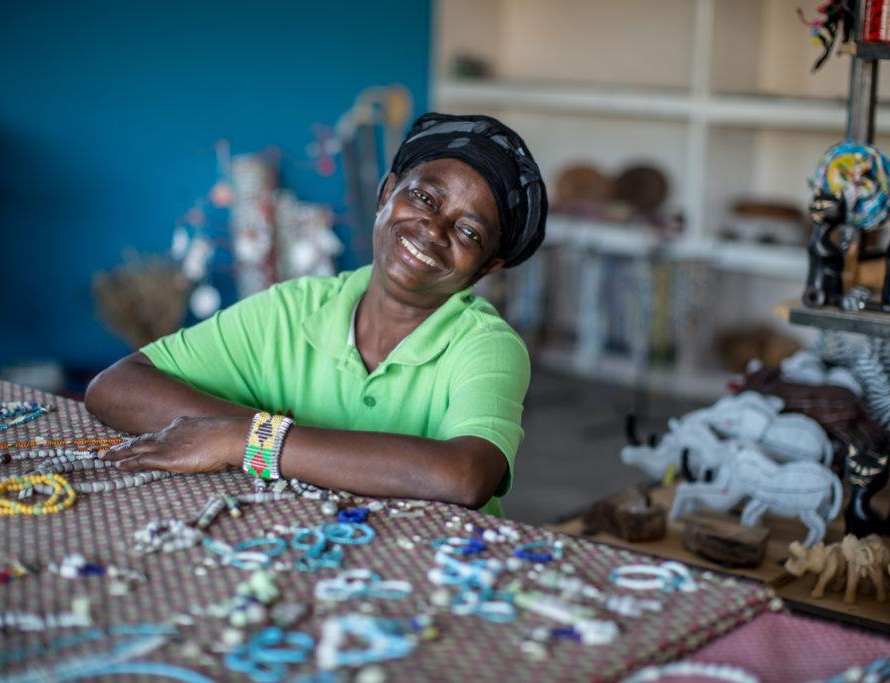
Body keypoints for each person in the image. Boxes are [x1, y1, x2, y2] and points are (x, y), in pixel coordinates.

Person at [85, 113, 547, 517]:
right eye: (425, 198)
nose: (433, 228)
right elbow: (117, 387)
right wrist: (260, 438)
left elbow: (464, 476)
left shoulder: (487, 345)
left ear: (486, 267)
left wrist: (249, 440)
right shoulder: (293, 308)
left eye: (468, 231)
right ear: (388, 192)